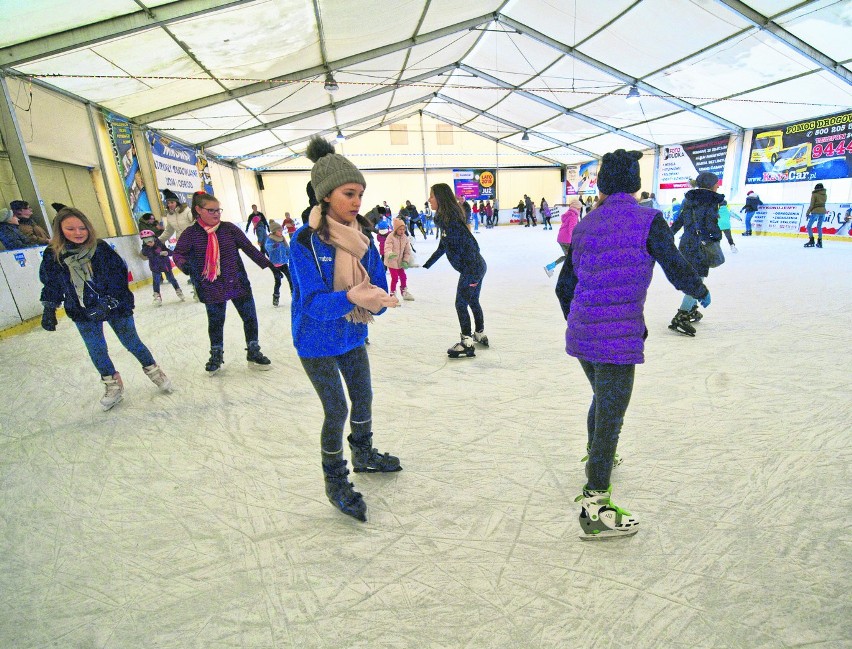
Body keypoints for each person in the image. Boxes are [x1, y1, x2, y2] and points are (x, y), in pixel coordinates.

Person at [555, 149, 709, 539]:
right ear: (636, 182)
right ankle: (596, 507)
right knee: (611, 416)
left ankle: (596, 458)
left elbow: (563, 287)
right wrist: (700, 290)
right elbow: (675, 265)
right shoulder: (648, 219)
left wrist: (579, 322)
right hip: (617, 336)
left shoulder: (587, 225)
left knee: (601, 399)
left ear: (604, 183)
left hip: (583, 332)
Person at [290, 136, 401, 522]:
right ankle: (335, 480)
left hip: (352, 335)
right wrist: (354, 297)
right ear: (325, 196)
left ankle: (364, 454)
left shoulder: (365, 240)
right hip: (316, 340)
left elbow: (377, 288)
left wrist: (378, 301)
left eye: (360, 193)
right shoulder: (304, 241)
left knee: (364, 398)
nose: (357, 201)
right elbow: (313, 305)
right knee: (336, 409)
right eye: (349, 193)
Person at [39, 207, 172, 410]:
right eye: (70, 228)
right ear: (60, 229)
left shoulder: (100, 249)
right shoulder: (53, 254)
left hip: (114, 305)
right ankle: (112, 384)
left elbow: (118, 277)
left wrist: (108, 301)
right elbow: (53, 283)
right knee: (96, 349)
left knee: (132, 341)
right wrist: (49, 307)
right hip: (81, 308)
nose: (78, 233)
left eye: (82, 228)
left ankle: (154, 371)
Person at [172, 192, 279, 374]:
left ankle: (253, 350)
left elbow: (249, 248)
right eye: (211, 210)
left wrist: (270, 265)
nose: (216, 214)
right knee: (215, 321)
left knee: (249, 317)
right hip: (210, 285)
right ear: (198, 210)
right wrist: (185, 265)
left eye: (218, 210)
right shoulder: (191, 234)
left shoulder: (229, 229)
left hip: (236, 281)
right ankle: (216, 353)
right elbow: (178, 254)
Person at [424, 183, 488, 358]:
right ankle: (479, 333)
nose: (429, 199)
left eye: (432, 196)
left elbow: (471, 243)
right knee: (472, 300)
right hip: (475, 267)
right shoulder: (447, 220)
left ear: (440, 198)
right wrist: (426, 264)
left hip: (472, 268)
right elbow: (443, 247)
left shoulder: (450, 221)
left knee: (461, 303)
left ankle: (467, 343)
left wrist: (469, 263)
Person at [669, 171, 724, 335]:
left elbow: (678, 221)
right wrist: (717, 237)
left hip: (686, 244)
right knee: (697, 280)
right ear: (711, 184)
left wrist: (668, 235)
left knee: (693, 277)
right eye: (716, 183)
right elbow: (711, 226)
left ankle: (692, 308)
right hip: (700, 245)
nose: (718, 185)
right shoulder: (711, 201)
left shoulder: (688, 199)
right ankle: (682, 315)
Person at [139, 229, 184, 306]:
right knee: (156, 281)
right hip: (155, 267)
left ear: (154, 238)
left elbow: (168, 251)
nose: (149, 243)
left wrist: (170, 253)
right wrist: (159, 253)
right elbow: (147, 253)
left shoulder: (160, 244)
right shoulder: (145, 248)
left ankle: (178, 289)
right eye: (146, 241)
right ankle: (157, 296)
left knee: (171, 278)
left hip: (165, 265)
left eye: (150, 240)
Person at [544, 199, 581, 277]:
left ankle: (550, 267)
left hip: (562, 239)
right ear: (576, 207)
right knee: (570, 257)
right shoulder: (573, 216)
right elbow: (572, 229)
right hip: (567, 240)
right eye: (579, 208)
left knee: (568, 257)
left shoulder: (569, 214)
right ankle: (551, 267)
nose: (580, 209)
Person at [384, 217, 416, 301]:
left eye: (403, 229)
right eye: (400, 229)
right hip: (392, 261)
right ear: (395, 229)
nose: (402, 231)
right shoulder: (390, 237)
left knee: (403, 276)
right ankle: (392, 294)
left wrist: (405, 260)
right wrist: (390, 254)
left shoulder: (404, 237)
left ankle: (404, 292)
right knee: (394, 277)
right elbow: (387, 247)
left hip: (400, 262)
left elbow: (407, 250)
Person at [264, 220, 293, 305]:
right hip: (274, 264)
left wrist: (290, 255)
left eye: (281, 230)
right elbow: (267, 247)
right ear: (274, 231)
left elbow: (287, 248)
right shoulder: (270, 239)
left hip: (283, 263)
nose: (281, 232)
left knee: (290, 279)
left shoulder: (282, 239)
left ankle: (294, 294)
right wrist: (273, 246)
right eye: (279, 230)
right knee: (278, 280)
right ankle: (276, 297)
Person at [804, 183, 827, 248]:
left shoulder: (814, 194)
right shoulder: (825, 194)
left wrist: (807, 212)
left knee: (809, 226)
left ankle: (811, 240)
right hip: (823, 211)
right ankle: (820, 241)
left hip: (816, 211)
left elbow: (812, 205)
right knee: (819, 226)